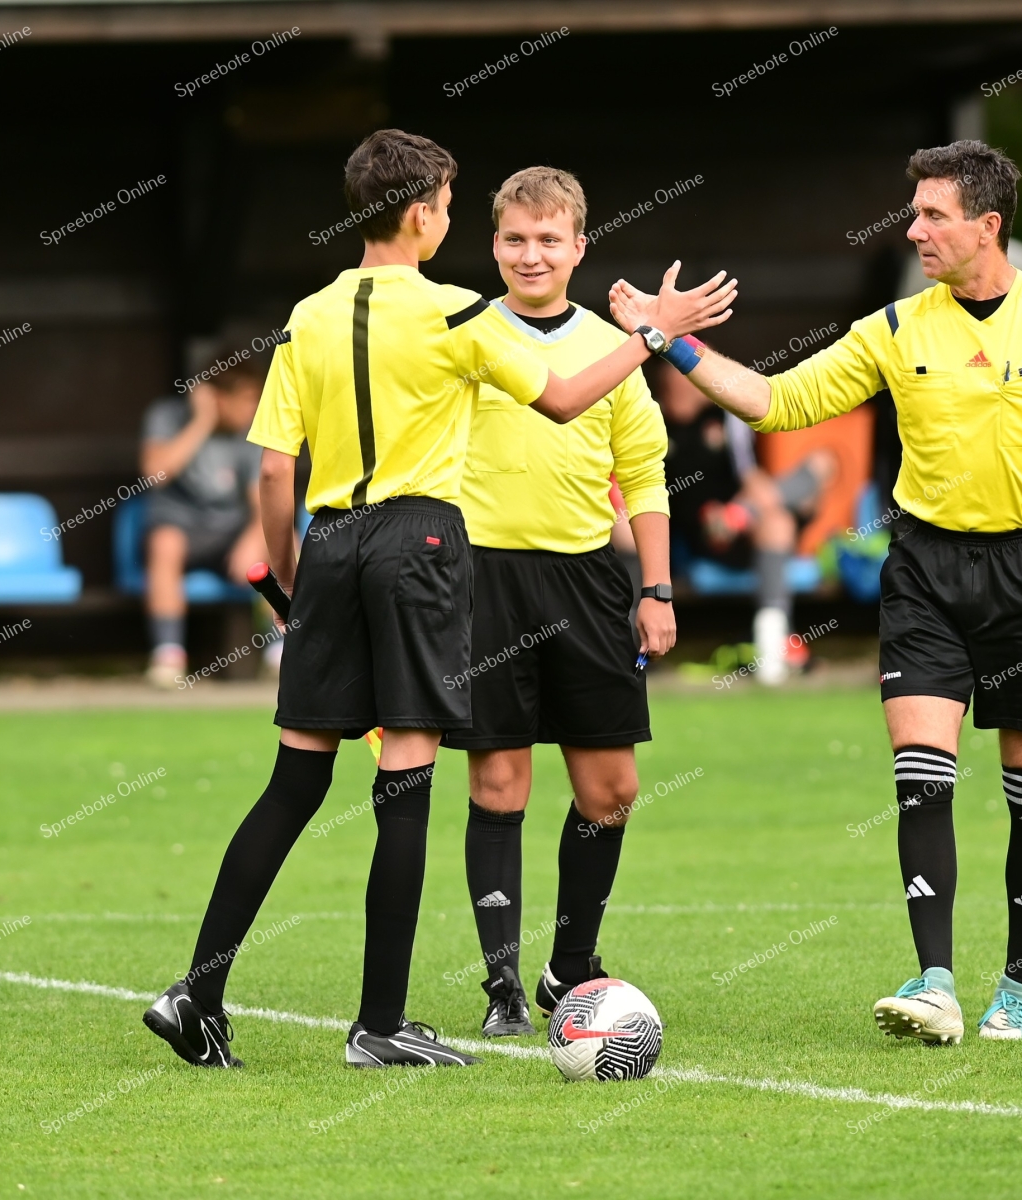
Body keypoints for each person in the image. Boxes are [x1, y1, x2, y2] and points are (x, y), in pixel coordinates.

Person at [141, 128, 734, 1070]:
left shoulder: (307, 314)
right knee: (405, 787)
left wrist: (291, 579)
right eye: (451, 207)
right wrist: (650, 335)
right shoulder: (457, 312)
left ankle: (195, 994)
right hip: (419, 545)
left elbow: (273, 472)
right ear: (422, 215)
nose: (451, 221)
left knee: (292, 784)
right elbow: (566, 398)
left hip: (328, 542)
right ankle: (380, 1024)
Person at [612, 140, 1022, 1044]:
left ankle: (1016, 989)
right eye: (914, 213)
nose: (912, 230)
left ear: (986, 226)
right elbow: (773, 401)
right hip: (923, 572)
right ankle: (935, 982)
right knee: (920, 780)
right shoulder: (893, 327)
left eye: (932, 216)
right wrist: (664, 339)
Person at [444, 167, 675, 1037]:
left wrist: (655, 588)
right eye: (514, 238)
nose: (530, 254)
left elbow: (644, 474)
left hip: (586, 581)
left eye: (548, 239)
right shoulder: (464, 333)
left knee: (611, 789)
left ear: (579, 246)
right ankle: (501, 986)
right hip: (482, 580)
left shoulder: (611, 348)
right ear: (493, 245)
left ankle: (568, 968)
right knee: (499, 784)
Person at [657, 362, 836, 683]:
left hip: (745, 521)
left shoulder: (725, 417)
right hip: (705, 533)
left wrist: (750, 502)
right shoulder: (654, 425)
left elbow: (750, 475)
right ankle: (776, 644)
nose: (689, 381)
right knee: (775, 519)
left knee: (803, 488)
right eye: (679, 375)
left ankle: (771, 647)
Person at [140, 354, 268, 688]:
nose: (252, 408)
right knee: (164, 543)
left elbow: (263, 503)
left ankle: (282, 652)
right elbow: (155, 473)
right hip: (181, 530)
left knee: (280, 539)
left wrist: (254, 538)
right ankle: (168, 656)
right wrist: (201, 422)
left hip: (231, 534)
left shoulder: (254, 429)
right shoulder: (167, 415)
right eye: (245, 399)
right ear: (215, 397)